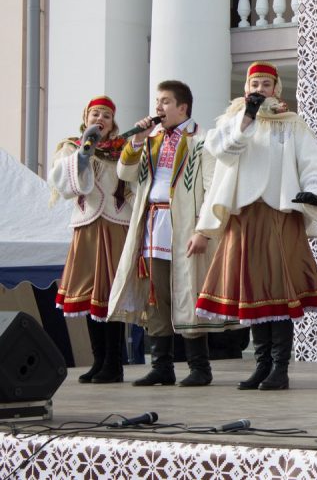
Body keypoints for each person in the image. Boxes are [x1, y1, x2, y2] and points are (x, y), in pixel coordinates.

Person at [194, 61, 317, 391]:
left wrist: (313, 192)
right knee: (254, 292)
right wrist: (246, 118)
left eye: (266, 84)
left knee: (278, 292)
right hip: (245, 215)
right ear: (246, 89)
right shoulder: (231, 122)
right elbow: (223, 152)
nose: (259, 89)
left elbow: (313, 162)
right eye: (254, 83)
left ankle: (280, 368)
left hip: (279, 214)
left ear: (276, 89)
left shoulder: (291, 124)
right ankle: (261, 365)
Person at [108, 80, 235, 387]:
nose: (158, 107)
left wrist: (204, 231)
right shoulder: (150, 139)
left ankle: (200, 368)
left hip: (184, 227)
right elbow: (124, 174)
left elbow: (211, 188)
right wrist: (136, 141)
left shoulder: (202, 140)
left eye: (165, 102)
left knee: (188, 293)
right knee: (156, 297)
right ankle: (162, 366)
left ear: (183, 107)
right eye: (157, 101)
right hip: (152, 224)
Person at [48, 96, 132, 384]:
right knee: (89, 296)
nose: (100, 118)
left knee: (111, 295)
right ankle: (99, 360)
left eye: (106, 115)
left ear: (113, 122)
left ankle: (114, 363)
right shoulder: (71, 147)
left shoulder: (124, 148)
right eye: (95, 113)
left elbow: (133, 177)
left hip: (115, 224)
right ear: (85, 118)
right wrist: (85, 151)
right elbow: (63, 183)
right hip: (87, 226)